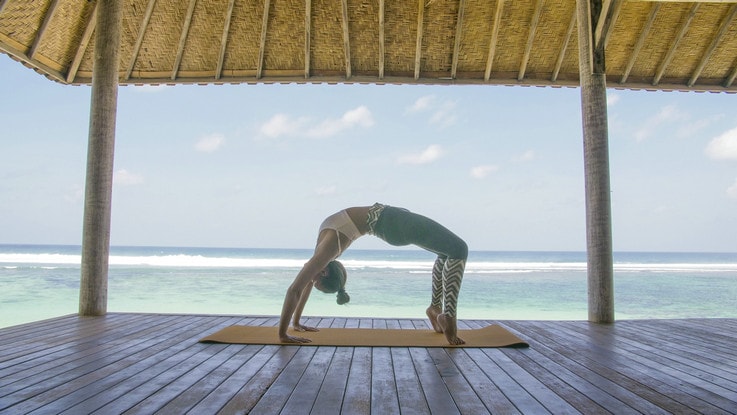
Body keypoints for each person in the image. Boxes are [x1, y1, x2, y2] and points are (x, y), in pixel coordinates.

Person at [278, 203, 468, 345]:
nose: (312, 280)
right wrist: (290, 327)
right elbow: (301, 287)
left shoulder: (323, 254)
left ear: (324, 272)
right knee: (458, 249)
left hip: (391, 221)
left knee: (447, 252)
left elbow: (296, 289)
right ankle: (448, 315)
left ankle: (436, 309)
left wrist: (288, 329)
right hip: (390, 222)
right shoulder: (324, 256)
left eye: (316, 281)